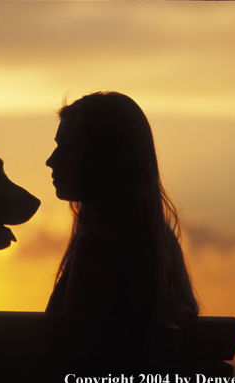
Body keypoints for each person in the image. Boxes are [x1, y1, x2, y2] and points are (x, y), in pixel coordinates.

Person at [45, 91, 198, 330]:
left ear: (103, 159)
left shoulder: (97, 246)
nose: (51, 161)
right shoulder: (162, 243)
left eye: (68, 149)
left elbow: (69, 350)